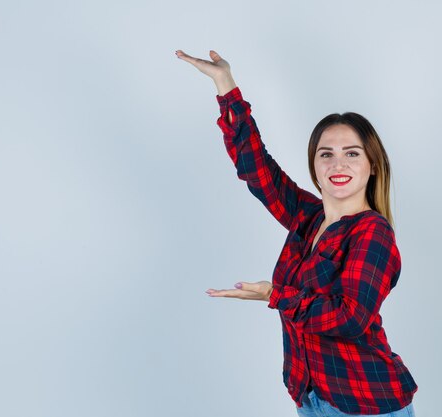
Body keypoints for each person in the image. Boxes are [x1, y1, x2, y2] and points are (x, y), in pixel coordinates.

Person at [176, 49, 418, 417]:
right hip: (312, 399)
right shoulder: (308, 217)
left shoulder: (373, 233)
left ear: (372, 166)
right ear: (315, 165)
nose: (338, 163)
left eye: (352, 154)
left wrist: (276, 295)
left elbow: (350, 317)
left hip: (366, 405)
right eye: (326, 154)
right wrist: (225, 84)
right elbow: (258, 170)